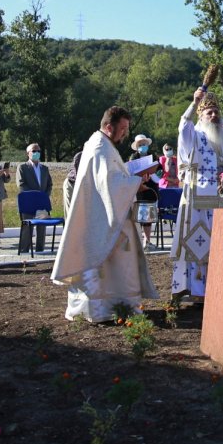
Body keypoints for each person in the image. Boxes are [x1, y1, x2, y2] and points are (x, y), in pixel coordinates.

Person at [51, 105, 157, 322]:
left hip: (108, 216)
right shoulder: (100, 147)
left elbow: (113, 178)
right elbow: (108, 183)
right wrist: (135, 183)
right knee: (108, 266)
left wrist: (134, 180)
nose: (125, 133)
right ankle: (106, 308)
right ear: (109, 126)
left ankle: (118, 306)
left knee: (115, 267)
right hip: (103, 219)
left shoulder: (102, 144)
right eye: (123, 128)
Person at [173, 88, 223, 299]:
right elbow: (182, 127)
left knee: (222, 245)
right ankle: (198, 291)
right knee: (198, 242)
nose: (214, 115)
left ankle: (221, 288)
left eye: (216, 111)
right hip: (198, 200)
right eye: (209, 112)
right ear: (201, 115)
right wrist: (194, 102)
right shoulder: (194, 135)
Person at [16, 142, 54, 252]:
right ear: (28, 153)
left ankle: (40, 250)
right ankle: (24, 251)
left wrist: (44, 197)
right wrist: (34, 197)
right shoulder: (22, 167)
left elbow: (49, 184)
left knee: (41, 228)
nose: (37, 153)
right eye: (34, 151)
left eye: (38, 151)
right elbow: (21, 184)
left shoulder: (44, 168)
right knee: (27, 228)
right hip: (29, 203)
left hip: (42, 204)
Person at [128, 134, 159, 247]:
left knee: (148, 217)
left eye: (144, 144)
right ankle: (138, 241)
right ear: (137, 147)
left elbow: (159, 170)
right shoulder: (133, 157)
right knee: (137, 216)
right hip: (138, 189)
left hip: (150, 189)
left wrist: (152, 175)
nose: (143, 146)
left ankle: (147, 240)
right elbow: (131, 172)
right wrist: (141, 178)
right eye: (140, 145)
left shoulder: (154, 156)